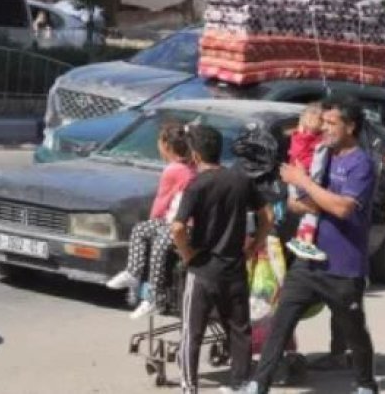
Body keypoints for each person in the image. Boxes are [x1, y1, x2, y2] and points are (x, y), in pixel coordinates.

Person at [242, 96, 379, 394]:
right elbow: (295, 204)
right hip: (307, 261)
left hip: (343, 265)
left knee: (353, 330)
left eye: (332, 124)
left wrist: (306, 186)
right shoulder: (321, 155)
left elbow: (343, 209)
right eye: (324, 122)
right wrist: (308, 198)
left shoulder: (362, 163)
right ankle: (257, 384)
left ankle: (366, 384)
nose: (325, 129)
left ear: (351, 127)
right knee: (281, 323)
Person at [171, 125, 274, 394]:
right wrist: (253, 245)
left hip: (203, 270)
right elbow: (268, 217)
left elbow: (178, 228)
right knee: (240, 330)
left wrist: (187, 255)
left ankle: (189, 387)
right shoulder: (240, 180)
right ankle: (240, 385)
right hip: (235, 269)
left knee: (193, 332)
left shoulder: (197, 186)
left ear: (194, 154)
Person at [106, 123, 196, 318]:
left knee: (157, 240)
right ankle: (133, 274)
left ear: (166, 146)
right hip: (175, 221)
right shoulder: (189, 166)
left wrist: (154, 220)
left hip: (185, 225)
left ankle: (154, 297)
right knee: (141, 230)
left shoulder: (174, 170)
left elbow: (162, 200)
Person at [285, 103, 329, 261]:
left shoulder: (296, 137)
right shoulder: (316, 141)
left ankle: (300, 239)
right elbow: (317, 163)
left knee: (305, 213)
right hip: (305, 179)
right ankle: (308, 242)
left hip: (293, 182)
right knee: (312, 211)